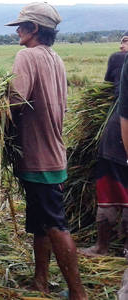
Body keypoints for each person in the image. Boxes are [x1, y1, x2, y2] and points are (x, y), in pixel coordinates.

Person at [5, 3, 87, 299]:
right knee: (41, 224)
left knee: (55, 224)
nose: (17, 31)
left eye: (21, 25)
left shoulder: (26, 55)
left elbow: (14, 101)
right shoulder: (55, 58)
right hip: (52, 154)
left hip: (39, 158)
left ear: (34, 28)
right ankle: (40, 282)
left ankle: (78, 294)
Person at [80, 31, 128, 258]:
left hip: (119, 132)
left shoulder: (119, 59)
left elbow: (109, 85)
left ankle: (102, 247)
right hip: (120, 131)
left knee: (110, 189)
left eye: (126, 41)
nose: (121, 46)